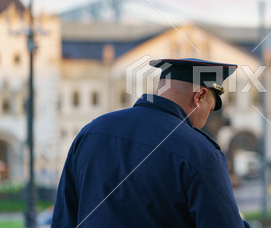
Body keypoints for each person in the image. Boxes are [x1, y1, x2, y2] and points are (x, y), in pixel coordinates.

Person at [51, 58, 249, 228]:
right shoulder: (200, 153)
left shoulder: (90, 133)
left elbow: (63, 221)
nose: (206, 119)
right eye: (210, 108)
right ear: (200, 96)